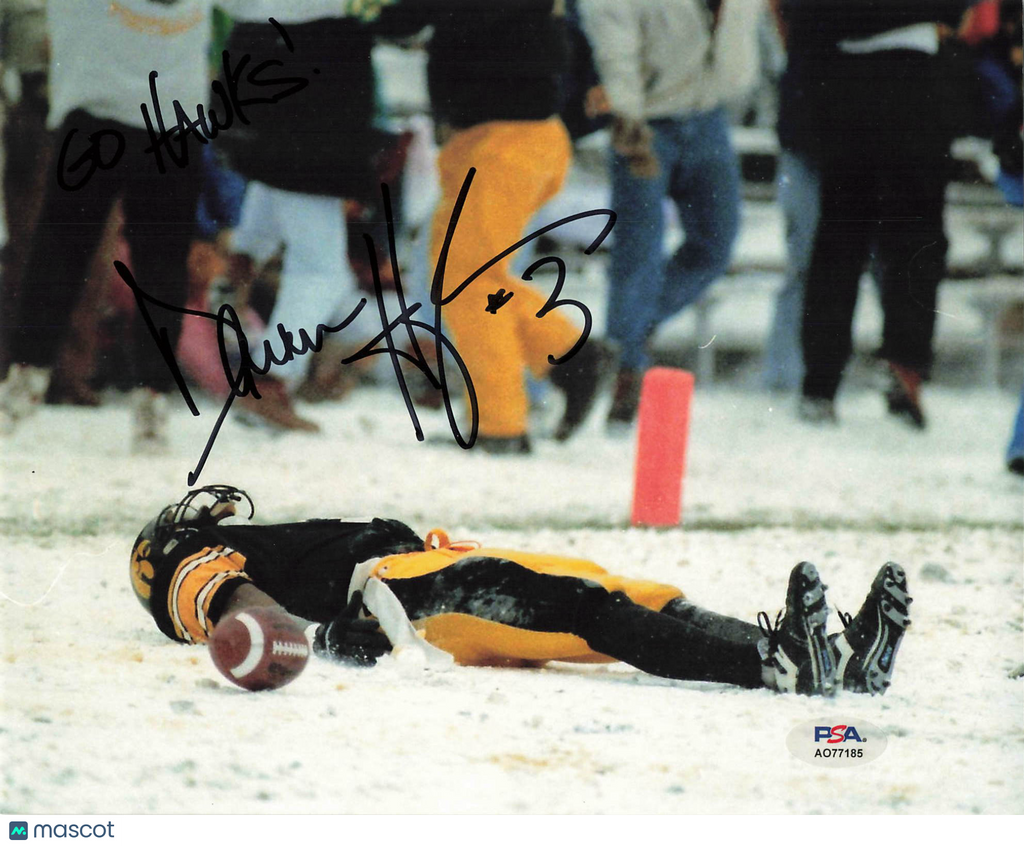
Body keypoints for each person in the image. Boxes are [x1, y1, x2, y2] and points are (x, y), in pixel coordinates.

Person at [0, 0, 399, 451]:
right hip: (97, 117)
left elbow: (274, 6)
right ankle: (29, 377)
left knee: (158, 272)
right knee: (61, 256)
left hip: (172, 126)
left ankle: (148, 396)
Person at [131, 485, 913, 696]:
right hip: (405, 596)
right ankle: (771, 666)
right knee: (590, 610)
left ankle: (831, 659)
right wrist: (311, 635)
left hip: (427, 574)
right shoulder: (189, 563)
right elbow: (232, 607)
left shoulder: (229, 554)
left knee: (637, 593)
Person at [414, 0, 616, 454]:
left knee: (464, 281)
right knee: (469, 279)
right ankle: (570, 355)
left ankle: (501, 426)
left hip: (509, 140)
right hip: (492, 139)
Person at [579, 0, 762, 425]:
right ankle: (627, 373)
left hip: (709, 116)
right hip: (647, 122)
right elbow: (615, 51)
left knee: (716, 243)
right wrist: (628, 121)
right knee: (639, 250)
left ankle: (625, 339)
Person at [794, 0, 970, 427]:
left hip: (853, 80)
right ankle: (899, 367)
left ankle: (824, 382)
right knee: (910, 239)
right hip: (902, 80)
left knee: (846, 241)